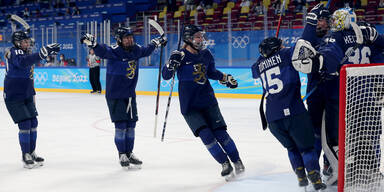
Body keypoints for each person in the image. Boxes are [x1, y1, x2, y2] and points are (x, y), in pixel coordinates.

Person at [162, 25, 245, 181]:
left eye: (201, 36)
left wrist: (225, 78)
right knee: (206, 136)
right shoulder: (179, 55)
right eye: (197, 36)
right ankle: (224, 163)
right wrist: (170, 64)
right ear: (188, 38)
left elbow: (211, 72)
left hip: (208, 101)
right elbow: (166, 76)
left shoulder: (206, 54)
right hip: (189, 106)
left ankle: (236, 160)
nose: (201, 39)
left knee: (221, 134)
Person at [80, 27, 167, 168]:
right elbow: (102, 50)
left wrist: (157, 42)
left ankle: (129, 152)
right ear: (119, 40)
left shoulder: (136, 50)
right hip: (115, 96)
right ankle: (122, 154)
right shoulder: (114, 51)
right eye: (126, 38)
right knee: (121, 126)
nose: (130, 40)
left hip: (130, 95)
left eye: (131, 37)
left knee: (131, 125)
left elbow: (147, 49)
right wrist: (93, 44)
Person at [252, 37, 326, 190]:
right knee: (307, 148)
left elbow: (254, 69)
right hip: (294, 112)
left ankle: (301, 176)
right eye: (282, 45)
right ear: (278, 48)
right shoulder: (286, 54)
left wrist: (267, 55)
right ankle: (315, 178)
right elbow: (302, 45)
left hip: (272, 118)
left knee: (292, 148)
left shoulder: (258, 65)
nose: (284, 46)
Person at [4, 30, 60, 168]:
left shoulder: (25, 53)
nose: (27, 43)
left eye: (27, 41)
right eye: (24, 41)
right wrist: (42, 52)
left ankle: (32, 152)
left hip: (27, 93)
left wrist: (32, 94)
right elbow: (23, 63)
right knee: (24, 124)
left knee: (33, 122)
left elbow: (30, 74)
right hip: (14, 94)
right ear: (17, 43)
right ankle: (25, 154)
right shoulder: (14, 52)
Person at [301, 3, 335, 176]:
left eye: (323, 20)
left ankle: (329, 165)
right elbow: (304, 44)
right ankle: (313, 167)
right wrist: (310, 22)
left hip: (333, 93)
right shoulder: (311, 39)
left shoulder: (335, 37)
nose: (320, 23)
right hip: (315, 93)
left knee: (331, 132)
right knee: (314, 132)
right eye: (318, 20)